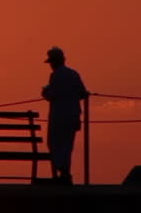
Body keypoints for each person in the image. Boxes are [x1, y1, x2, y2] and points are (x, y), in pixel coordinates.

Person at [40, 46, 88, 184]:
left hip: (59, 117)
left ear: (54, 62)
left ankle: (63, 174)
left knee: (54, 144)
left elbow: (53, 96)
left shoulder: (55, 75)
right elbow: (82, 93)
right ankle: (65, 174)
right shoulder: (73, 74)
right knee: (67, 145)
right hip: (73, 115)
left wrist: (45, 93)